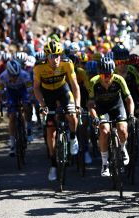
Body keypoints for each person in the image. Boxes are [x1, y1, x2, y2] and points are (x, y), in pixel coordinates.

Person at [34, 41, 81, 181]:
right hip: (47, 94)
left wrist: (77, 104)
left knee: (71, 115)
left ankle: (73, 137)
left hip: (63, 91)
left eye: (57, 55)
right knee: (51, 132)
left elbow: (74, 85)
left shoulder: (67, 63)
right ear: (46, 56)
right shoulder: (39, 67)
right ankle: (53, 165)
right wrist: (42, 105)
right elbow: (36, 88)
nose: (55, 59)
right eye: (52, 56)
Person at [87, 57, 135, 177]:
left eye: (109, 75)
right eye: (103, 76)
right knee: (104, 130)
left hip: (117, 106)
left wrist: (131, 114)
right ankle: (104, 163)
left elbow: (129, 100)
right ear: (99, 75)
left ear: (113, 72)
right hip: (102, 108)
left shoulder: (119, 80)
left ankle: (123, 149)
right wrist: (95, 117)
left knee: (123, 129)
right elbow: (91, 105)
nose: (107, 78)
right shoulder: (93, 82)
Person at [0, 60, 33, 157]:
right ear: (8, 72)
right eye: (13, 75)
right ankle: (12, 144)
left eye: (17, 75)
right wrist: (2, 103)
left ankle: (29, 128)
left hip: (23, 90)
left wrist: (28, 102)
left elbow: (30, 91)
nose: (15, 78)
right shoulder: (3, 76)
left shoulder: (25, 75)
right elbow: (0, 92)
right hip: (11, 92)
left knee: (27, 106)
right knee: (12, 116)